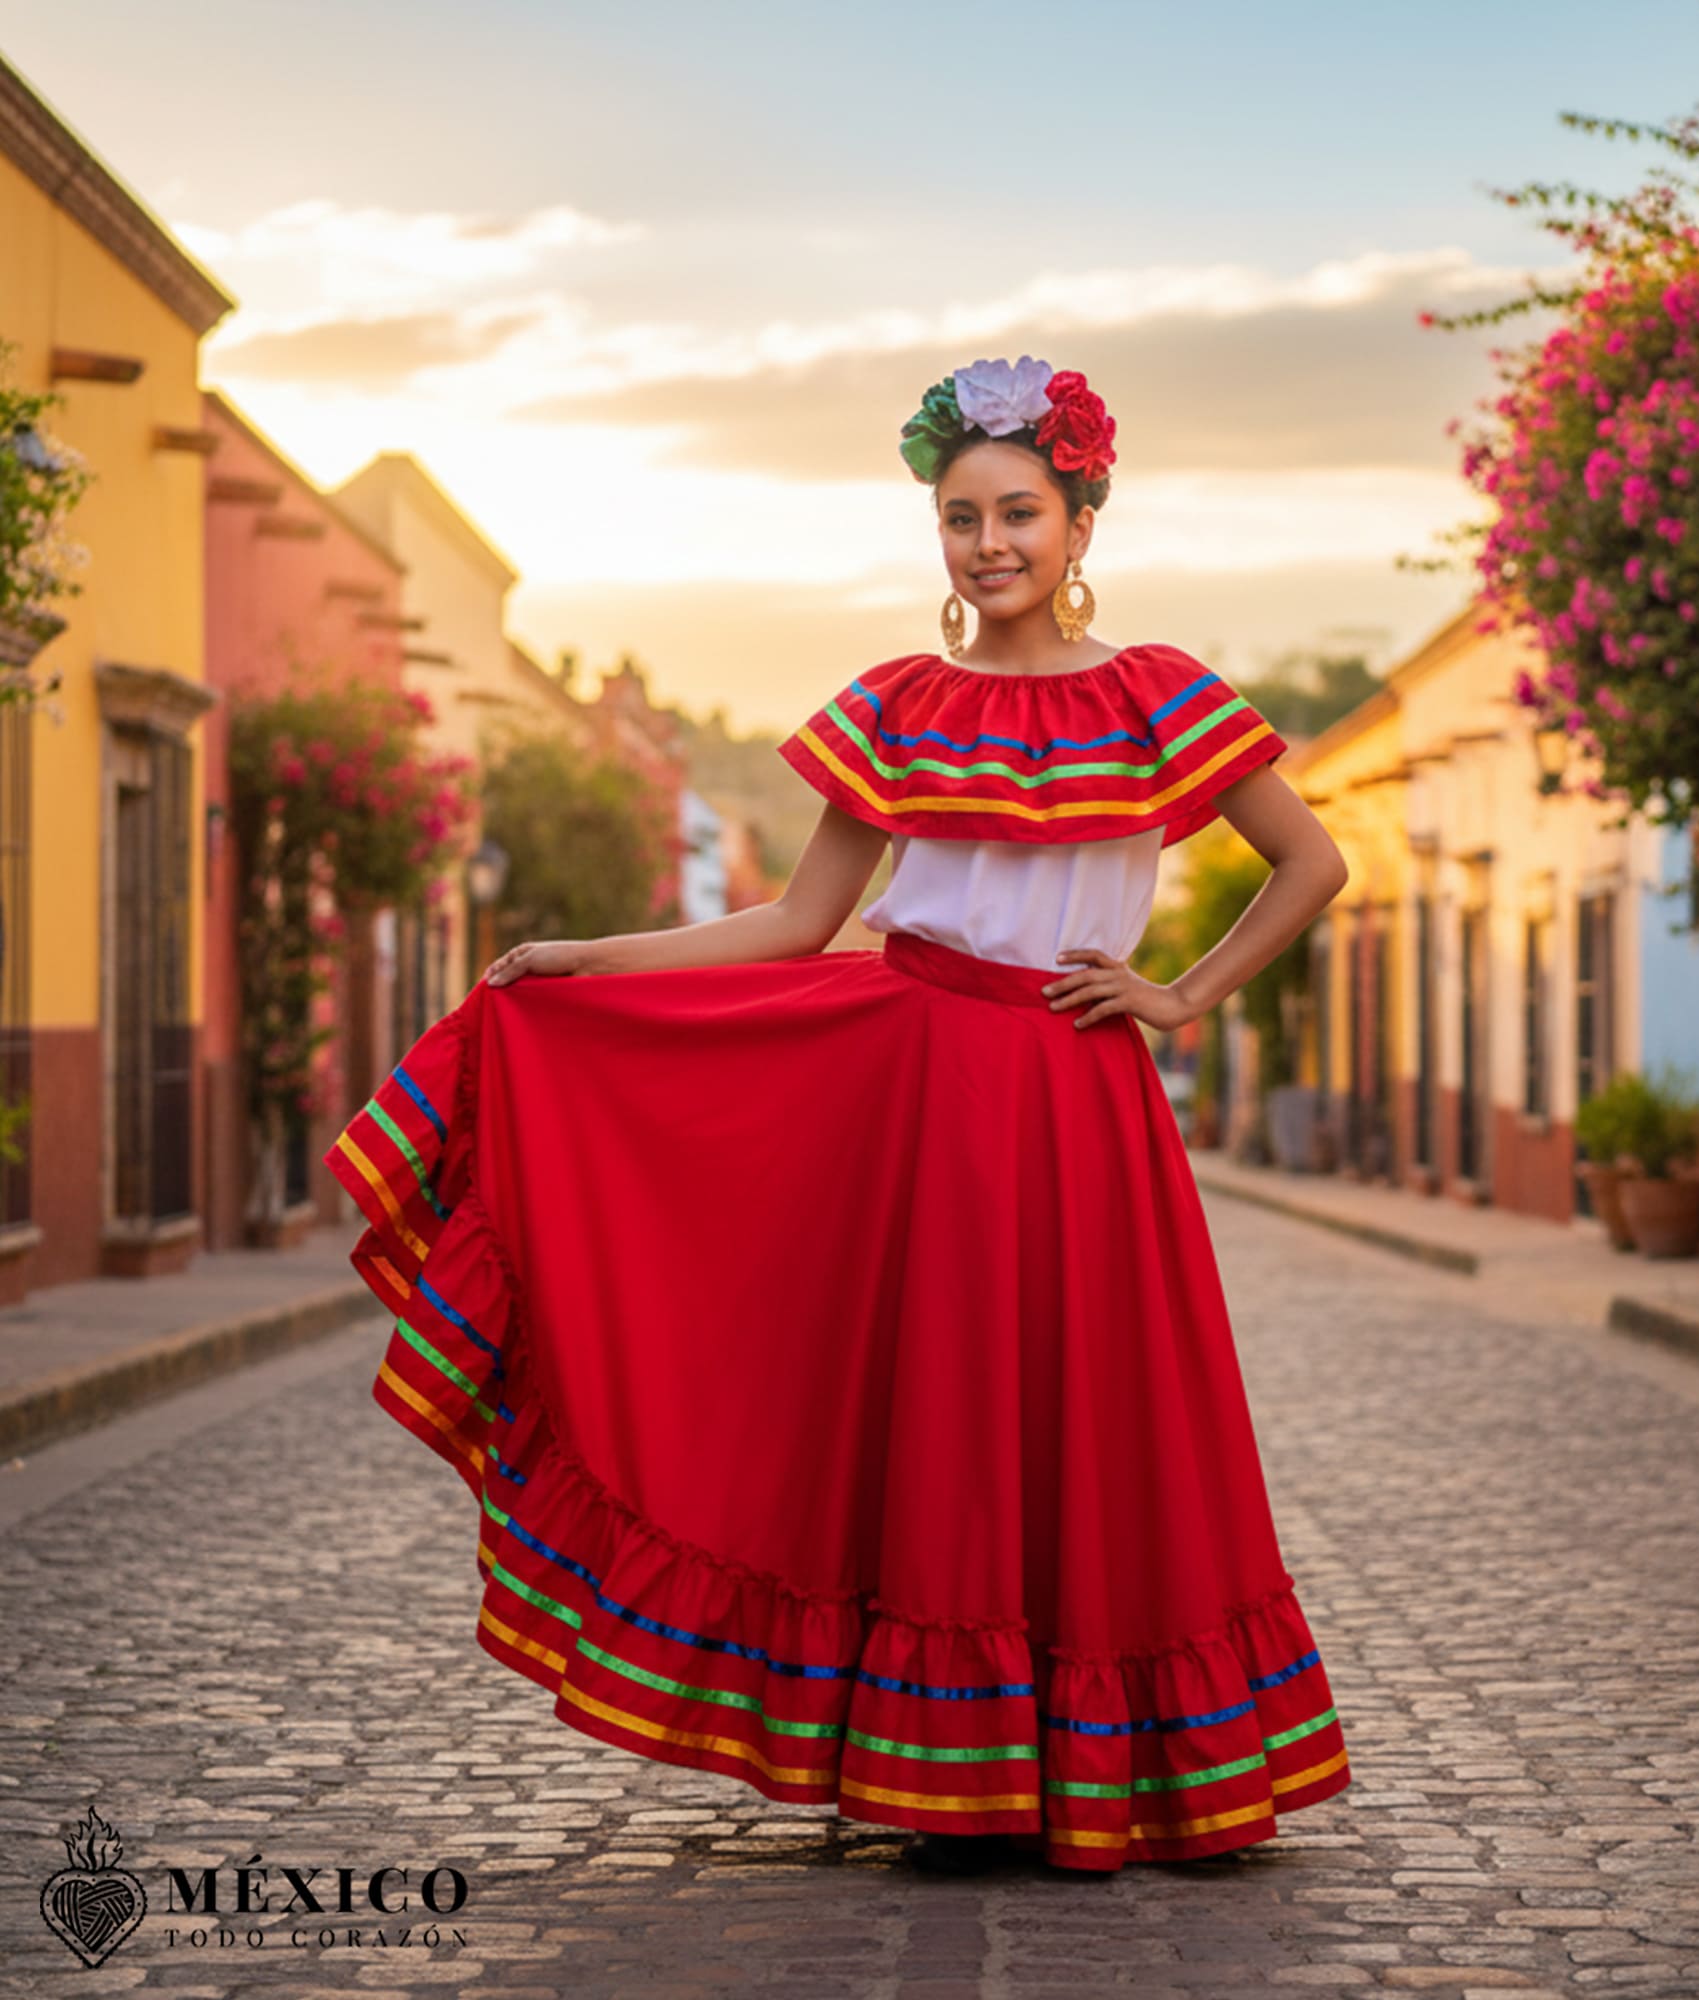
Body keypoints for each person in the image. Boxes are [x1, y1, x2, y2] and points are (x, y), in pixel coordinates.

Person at [326, 354, 1355, 1878]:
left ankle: (1102, 1761)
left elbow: (1312, 863)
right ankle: (953, 1766)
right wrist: (591, 961)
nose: (991, 543)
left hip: (1077, 1097)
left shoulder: (1159, 695)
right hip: (915, 1101)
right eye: (963, 518)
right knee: (932, 1412)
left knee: (1087, 1413)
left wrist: (1181, 995)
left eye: (1021, 513)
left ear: (1082, 521)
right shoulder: (901, 705)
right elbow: (800, 920)